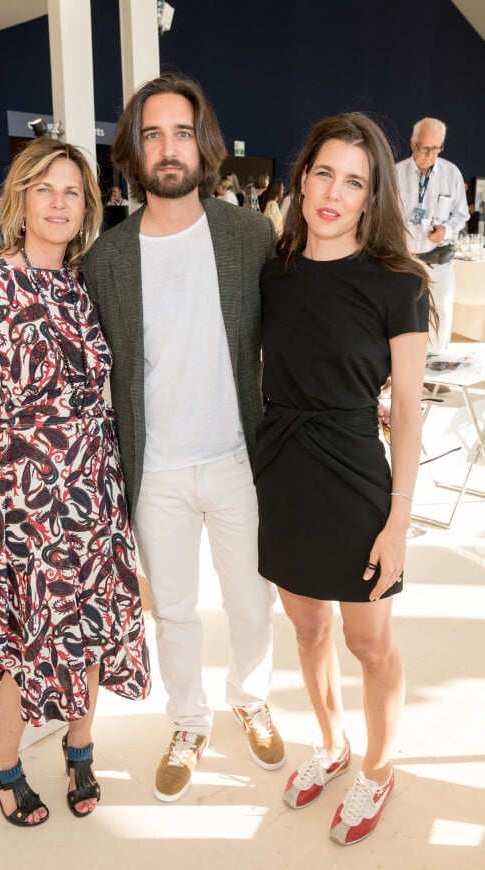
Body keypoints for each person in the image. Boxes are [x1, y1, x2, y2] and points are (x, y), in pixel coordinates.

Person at [83, 72, 283, 804]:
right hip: (157, 469)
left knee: (251, 604)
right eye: (151, 133)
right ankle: (189, 721)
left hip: (236, 457)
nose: (168, 148)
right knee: (172, 610)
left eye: (180, 132)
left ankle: (252, 698)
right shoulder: (105, 260)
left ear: (205, 145)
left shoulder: (249, 236)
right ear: (134, 150)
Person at [0, 138, 150, 827]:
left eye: (73, 192)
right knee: (29, 646)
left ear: (87, 207)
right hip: (25, 505)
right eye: (46, 190)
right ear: (21, 200)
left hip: (95, 495)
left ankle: (81, 747)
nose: (60, 204)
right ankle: (2, 762)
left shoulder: (84, 284)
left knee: (89, 631)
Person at [254, 113, 433, 845]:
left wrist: (398, 523)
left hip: (358, 476)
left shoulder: (398, 284)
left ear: (372, 197)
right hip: (284, 471)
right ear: (302, 179)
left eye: (354, 181)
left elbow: (412, 414)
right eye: (324, 173)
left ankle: (379, 768)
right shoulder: (275, 274)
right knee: (306, 626)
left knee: (369, 644)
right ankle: (330, 746)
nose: (334, 192)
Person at [396, 117, 468, 351]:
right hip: (404, 259)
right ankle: (401, 370)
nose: (429, 154)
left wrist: (445, 230)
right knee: (402, 314)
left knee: (441, 313)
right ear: (412, 143)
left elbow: (462, 214)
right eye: (424, 148)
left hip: (439, 260)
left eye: (435, 148)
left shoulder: (451, 174)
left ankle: (436, 373)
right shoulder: (396, 173)